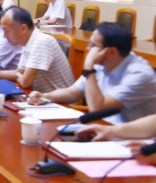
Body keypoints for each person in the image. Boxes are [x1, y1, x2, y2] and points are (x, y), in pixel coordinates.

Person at [27, 23, 156, 124]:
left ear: (111, 52)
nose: (88, 49)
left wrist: (89, 67)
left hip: (133, 141)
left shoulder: (140, 75)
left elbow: (97, 108)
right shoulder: (103, 62)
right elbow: (72, 92)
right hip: (103, 130)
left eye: (93, 45)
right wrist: (45, 97)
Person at [0, 6, 74, 92]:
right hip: (41, 97)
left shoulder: (41, 41)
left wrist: (18, 76)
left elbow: (25, 82)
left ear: (23, 28)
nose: (4, 36)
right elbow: (20, 73)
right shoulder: (28, 42)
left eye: (7, 31)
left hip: (60, 102)